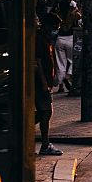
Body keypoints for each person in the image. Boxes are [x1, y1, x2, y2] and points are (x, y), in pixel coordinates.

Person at [34, 14, 62, 156]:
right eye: (55, 28)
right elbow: (38, 62)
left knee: (44, 111)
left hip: (45, 80)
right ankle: (45, 144)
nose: (56, 30)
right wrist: (45, 82)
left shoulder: (45, 39)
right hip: (40, 82)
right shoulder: (39, 39)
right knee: (46, 111)